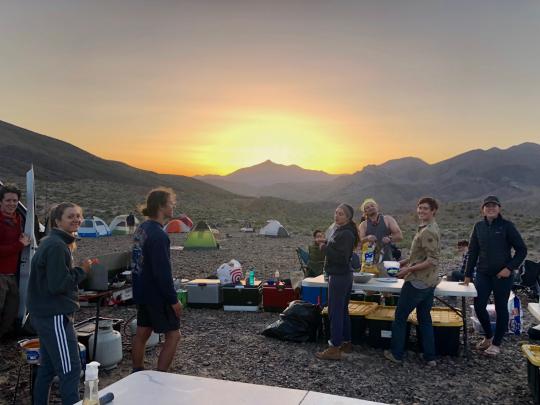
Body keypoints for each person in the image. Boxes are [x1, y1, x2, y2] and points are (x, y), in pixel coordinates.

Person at [27, 203, 93, 404]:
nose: (76, 220)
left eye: (78, 216)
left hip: (45, 313)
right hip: (54, 314)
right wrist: (82, 270)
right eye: (70, 216)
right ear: (57, 221)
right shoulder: (56, 246)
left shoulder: (54, 242)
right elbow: (58, 285)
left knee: (47, 367)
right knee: (70, 369)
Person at [463, 196, 527, 356]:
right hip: (483, 273)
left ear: (499, 208)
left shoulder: (507, 226)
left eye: (494, 206)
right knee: (479, 306)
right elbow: (473, 252)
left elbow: (522, 250)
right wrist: (467, 274)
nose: (490, 208)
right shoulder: (478, 226)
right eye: (487, 206)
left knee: (500, 308)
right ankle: (488, 337)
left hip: (502, 275)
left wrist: (509, 268)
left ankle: (497, 344)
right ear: (482, 209)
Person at [384, 197, 441, 366]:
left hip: (418, 282)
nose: (421, 211)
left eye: (425, 209)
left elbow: (432, 260)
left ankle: (396, 353)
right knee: (424, 318)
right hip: (429, 282)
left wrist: (408, 270)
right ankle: (430, 357)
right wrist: (402, 263)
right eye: (420, 208)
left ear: (433, 211)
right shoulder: (427, 228)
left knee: (400, 316)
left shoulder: (428, 231)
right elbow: (419, 256)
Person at [132, 188, 182, 372]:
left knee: (142, 332)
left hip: (141, 292)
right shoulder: (159, 235)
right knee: (174, 335)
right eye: (170, 203)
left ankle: (136, 371)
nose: (173, 206)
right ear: (161, 206)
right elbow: (162, 272)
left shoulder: (142, 229)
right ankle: (160, 377)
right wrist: (173, 300)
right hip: (156, 295)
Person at [315, 203, 360, 360]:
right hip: (344, 275)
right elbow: (339, 250)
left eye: (341, 214)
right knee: (342, 310)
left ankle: (334, 347)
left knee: (335, 311)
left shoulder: (346, 233)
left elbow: (340, 257)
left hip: (339, 275)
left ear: (347, 217)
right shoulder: (342, 230)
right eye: (336, 212)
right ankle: (346, 342)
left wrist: (323, 247)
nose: (337, 215)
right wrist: (327, 243)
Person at [0, 184, 31, 339]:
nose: (12, 204)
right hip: (1, 273)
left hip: (13, 274)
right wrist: (20, 245)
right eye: (8, 200)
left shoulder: (19, 218)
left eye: (15, 201)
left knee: (12, 309)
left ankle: (4, 337)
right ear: (1, 201)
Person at [358, 198, 403, 265]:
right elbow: (359, 242)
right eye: (367, 207)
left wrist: (390, 238)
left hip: (387, 258)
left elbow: (399, 236)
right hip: (369, 260)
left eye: (372, 206)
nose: (370, 208)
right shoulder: (363, 225)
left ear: (377, 207)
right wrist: (367, 238)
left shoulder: (388, 219)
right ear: (365, 212)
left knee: (386, 275)